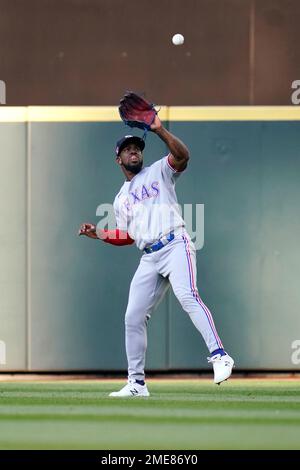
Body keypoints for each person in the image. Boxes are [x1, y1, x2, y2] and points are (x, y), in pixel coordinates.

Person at [78, 114, 234, 397]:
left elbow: (183, 156)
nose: (133, 151)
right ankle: (137, 384)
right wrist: (99, 234)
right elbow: (127, 235)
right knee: (133, 316)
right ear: (118, 159)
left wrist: (159, 130)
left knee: (188, 296)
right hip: (149, 256)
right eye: (127, 149)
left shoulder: (159, 170)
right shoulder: (120, 198)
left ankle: (220, 354)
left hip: (175, 244)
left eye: (137, 147)